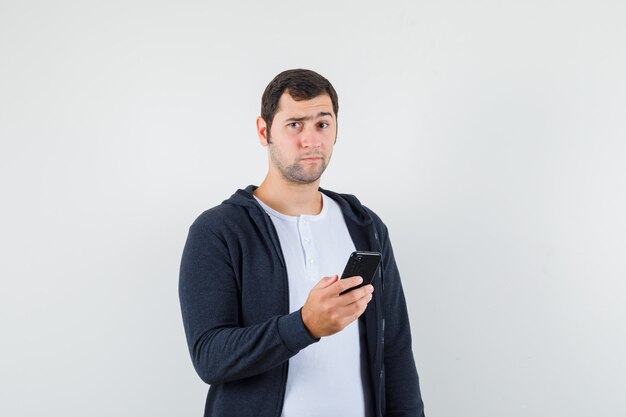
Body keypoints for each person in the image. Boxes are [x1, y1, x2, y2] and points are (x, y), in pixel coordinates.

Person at [179, 69, 425, 417]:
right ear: (265, 131)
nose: (311, 140)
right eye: (295, 125)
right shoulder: (219, 230)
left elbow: (395, 349)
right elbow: (210, 357)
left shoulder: (365, 226)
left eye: (322, 124)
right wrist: (305, 325)